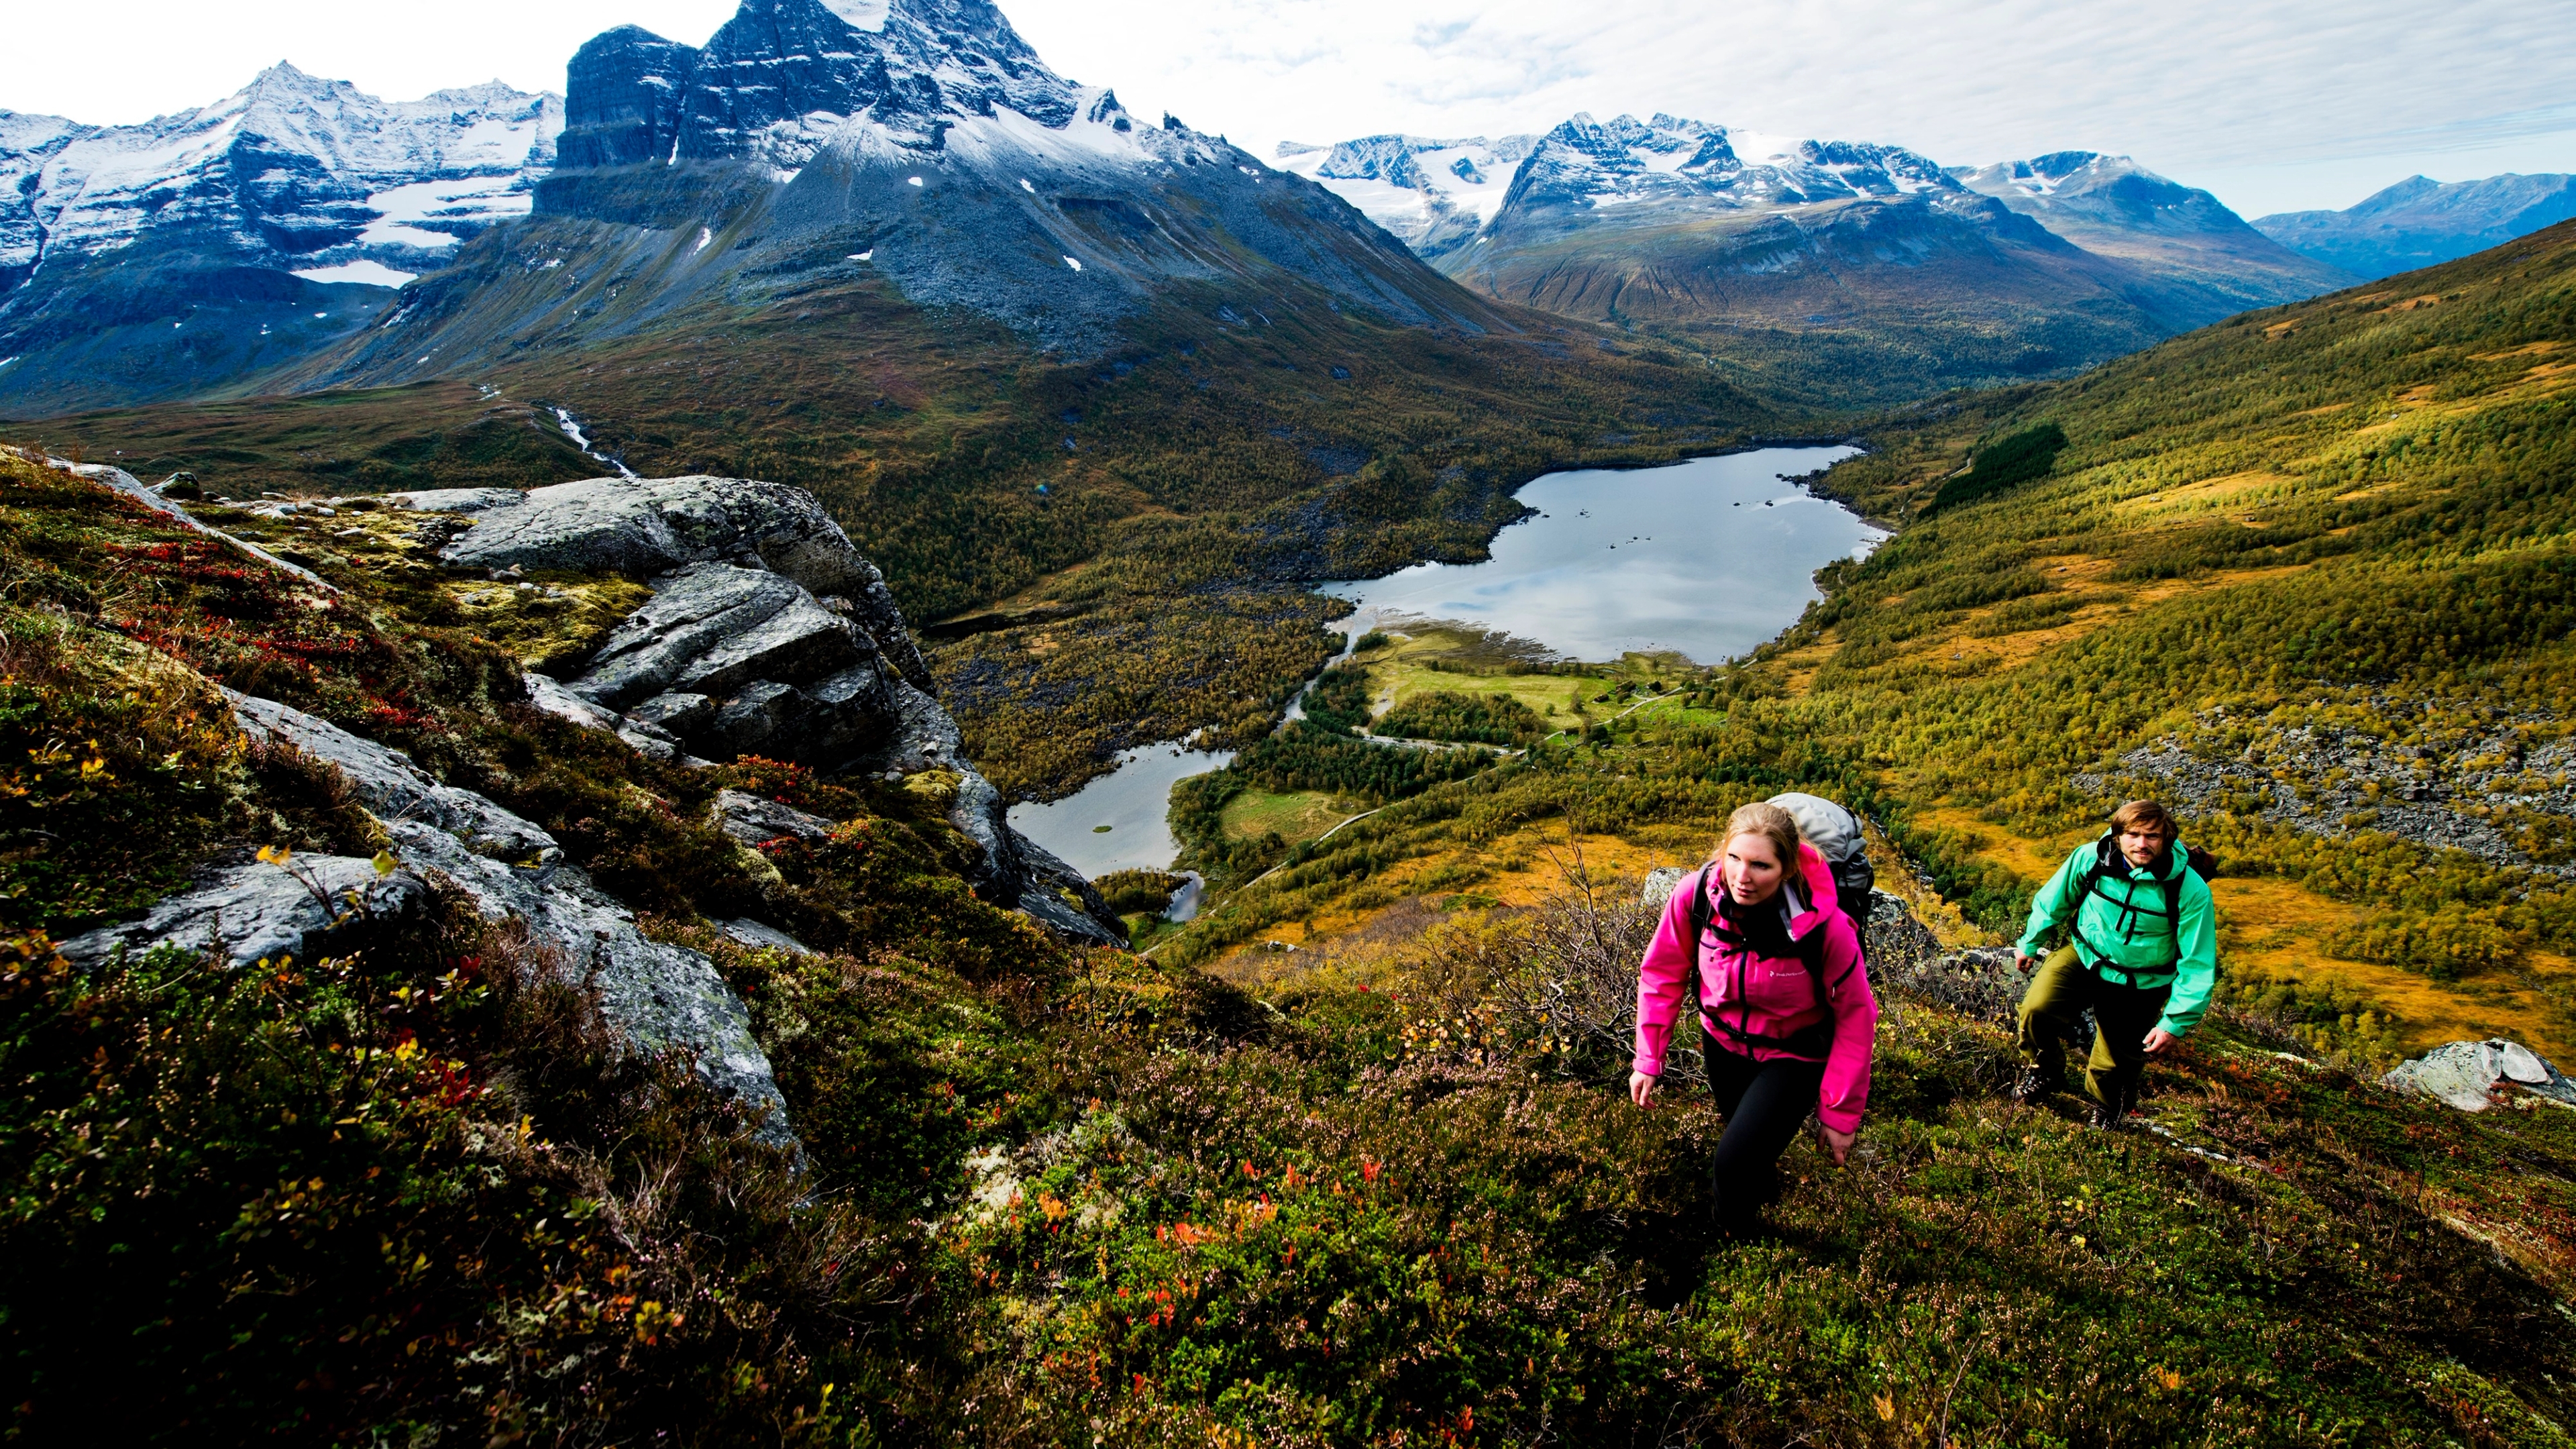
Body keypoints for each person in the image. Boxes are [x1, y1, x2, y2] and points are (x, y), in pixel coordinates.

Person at [1630, 802, 1880, 1236]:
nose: (1742, 877)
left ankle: (1732, 1239)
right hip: (1722, 1045)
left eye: (1761, 865)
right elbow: (1663, 974)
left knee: (1732, 1161)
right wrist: (1648, 1058)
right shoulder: (1694, 897)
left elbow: (1857, 1017)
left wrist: (1840, 1115)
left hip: (1794, 1055)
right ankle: (1762, 1191)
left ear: (1787, 869)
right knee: (1748, 1147)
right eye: (1734, 859)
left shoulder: (1825, 927)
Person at [2011, 799, 2216, 1128]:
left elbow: (2198, 962)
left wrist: (2174, 1022)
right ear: (2117, 835)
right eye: (2133, 834)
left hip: (2142, 981)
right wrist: (2031, 942)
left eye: (2152, 836)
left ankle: (2107, 1108)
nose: (2142, 844)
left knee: (2116, 1058)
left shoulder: (2189, 890)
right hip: (2085, 954)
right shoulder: (2091, 858)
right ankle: (2044, 1071)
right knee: (2036, 1011)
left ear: (2167, 839)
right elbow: (2055, 900)